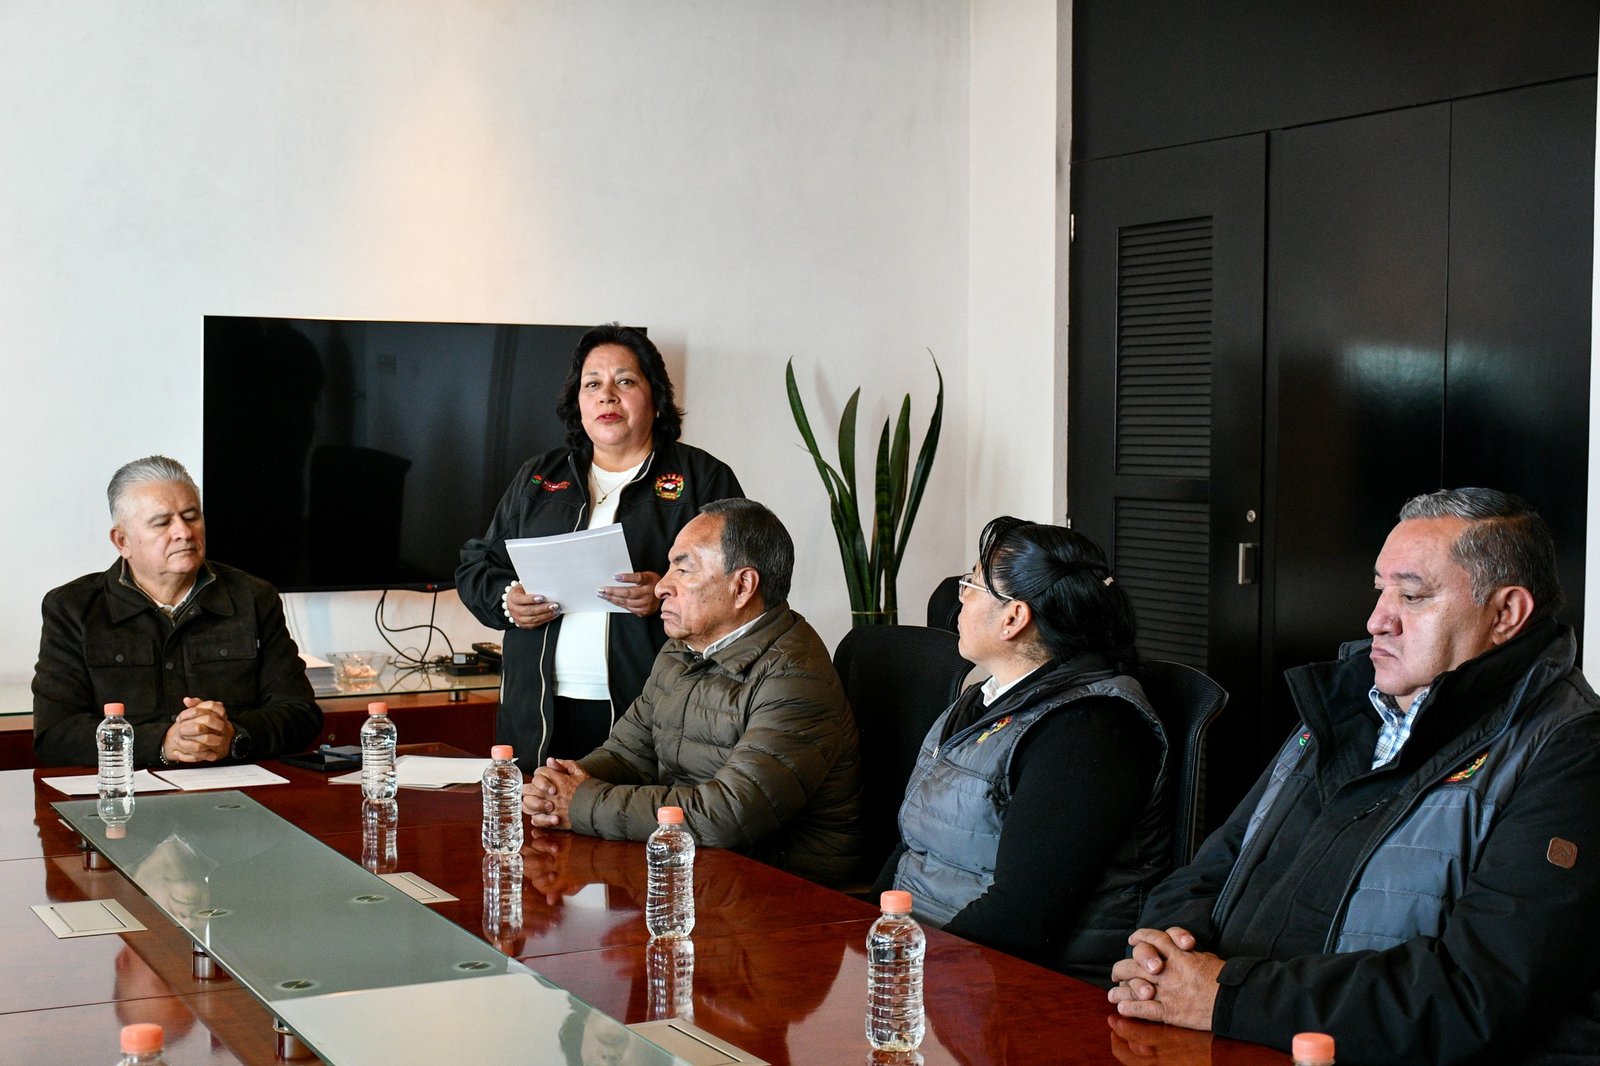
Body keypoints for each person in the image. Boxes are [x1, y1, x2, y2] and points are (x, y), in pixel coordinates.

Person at [1109, 489, 1600, 1064]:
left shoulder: (1571, 750)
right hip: (1229, 1033)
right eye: (1379, 590)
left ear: (1505, 614)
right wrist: (1166, 949)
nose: (1376, 621)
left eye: (1412, 596)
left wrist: (1226, 995)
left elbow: (1479, 991)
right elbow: (1220, 861)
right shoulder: (1347, 705)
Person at [875, 516, 1170, 983]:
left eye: (971, 585)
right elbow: (913, 846)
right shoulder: (987, 698)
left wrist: (905, 974)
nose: (960, 598)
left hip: (1015, 983)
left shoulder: (1087, 730)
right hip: (932, 957)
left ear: (1013, 618)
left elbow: (1020, 915)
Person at [523, 498, 862, 886]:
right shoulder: (682, 648)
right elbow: (628, 754)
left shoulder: (795, 678)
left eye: (683, 570)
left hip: (784, 884)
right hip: (697, 861)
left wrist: (581, 802)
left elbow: (727, 814)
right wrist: (563, 784)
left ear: (742, 586)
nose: (662, 587)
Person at [457, 324, 742, 769]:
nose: (607, 396)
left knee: (630, 812)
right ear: (578, 401)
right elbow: (476, 566)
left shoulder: (702, 478)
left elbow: (740, 588)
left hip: (653, 714)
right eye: (592, 384)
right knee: (539, 814)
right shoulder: (539, 476)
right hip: (539, 713)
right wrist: (508, 600)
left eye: (624, 381)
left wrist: (665, 593)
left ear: (655, 396)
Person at [32, 456, 322, 767]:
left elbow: (301, 714)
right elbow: (55, 734)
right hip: (126, 789)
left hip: (233, 785)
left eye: (191, 516)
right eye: (162, 523)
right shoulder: (73, 608)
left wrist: (234, 736)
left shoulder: (253, 598)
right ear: (122, 541)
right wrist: (163, 743)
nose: (184, 532)